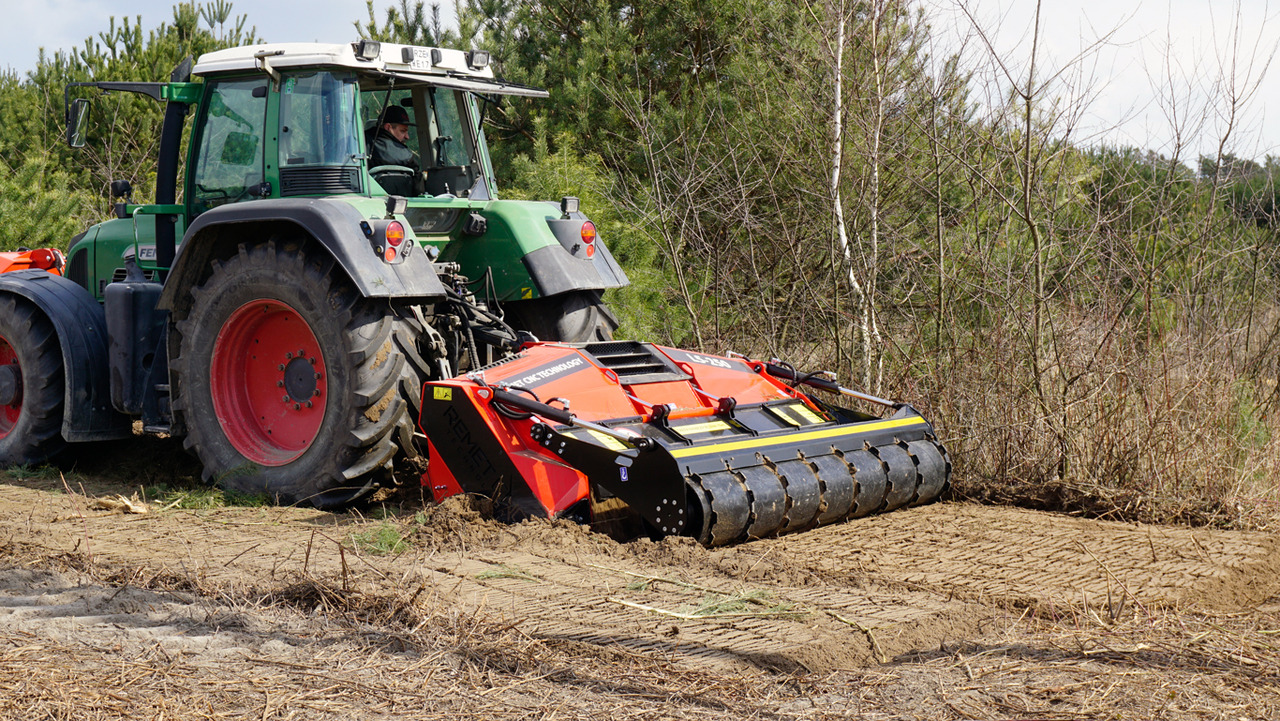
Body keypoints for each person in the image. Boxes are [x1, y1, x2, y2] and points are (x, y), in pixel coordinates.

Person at [367, 105, 421, 194]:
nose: (407, 137)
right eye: (403, 131)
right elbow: (419, 188)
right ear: (388, 127)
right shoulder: (406, 157)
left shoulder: (359, 143)